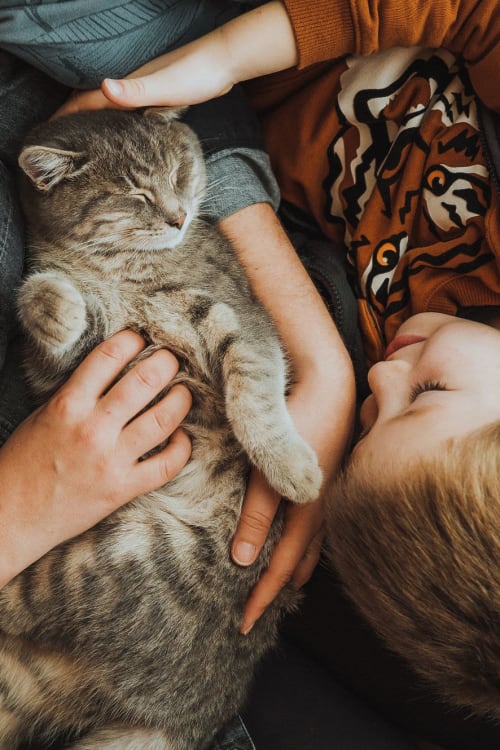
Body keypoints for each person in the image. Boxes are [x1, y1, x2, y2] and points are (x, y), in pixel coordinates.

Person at [52, 1, 500, 748]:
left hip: (198, 138)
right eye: (424, 396)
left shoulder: (400, 353)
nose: (381, 380)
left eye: (368, 423)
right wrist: (227, 55)